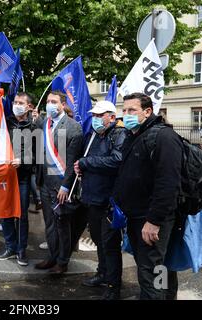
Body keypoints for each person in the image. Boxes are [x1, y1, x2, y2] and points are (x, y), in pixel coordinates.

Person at [113, 92, 183, 300]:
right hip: (136, 218)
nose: (126, 114)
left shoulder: (163, 137)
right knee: (155, 267)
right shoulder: (134, 135)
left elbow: (168, 183)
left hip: (151, 221)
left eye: (132, 110)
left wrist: (154, 220)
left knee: (152, 271)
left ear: (147, 111)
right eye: (124, 110)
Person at [74, 100, 127, 300]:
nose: (95, 119)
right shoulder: (96, 135)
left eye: (99, 115)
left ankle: (114, 286)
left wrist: (87, 163)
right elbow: (89, 161)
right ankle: (102, 273)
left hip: (108, 202)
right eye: (94, 115)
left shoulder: (118, 134)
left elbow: (116, 160)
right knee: (98, 240)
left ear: (111, 117)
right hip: (92, 199)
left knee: (110, 245)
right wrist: (81, 167)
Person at [34, 91, 84, 274]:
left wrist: (65, 186)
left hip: (61, 186)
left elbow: (72, 162)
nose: (49, 105)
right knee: (49, 224)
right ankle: (52, 257)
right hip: (45, 184)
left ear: (62, 104)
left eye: (53, 102)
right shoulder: (44, 124)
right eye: (48, 101)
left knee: (62, 224)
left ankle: (63, 262)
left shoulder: (73, 127)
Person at [0, 92, 36, 266]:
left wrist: (23, 160)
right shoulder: (6, 122)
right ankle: (10, 247)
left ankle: (21, 250)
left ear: (29, 107)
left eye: (21, 103)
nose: (17, 104)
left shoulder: (34, 127)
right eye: (16, 102)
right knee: (6, 213)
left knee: (21, 215)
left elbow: (38, 156)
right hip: (5, 177)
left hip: (23, 179)